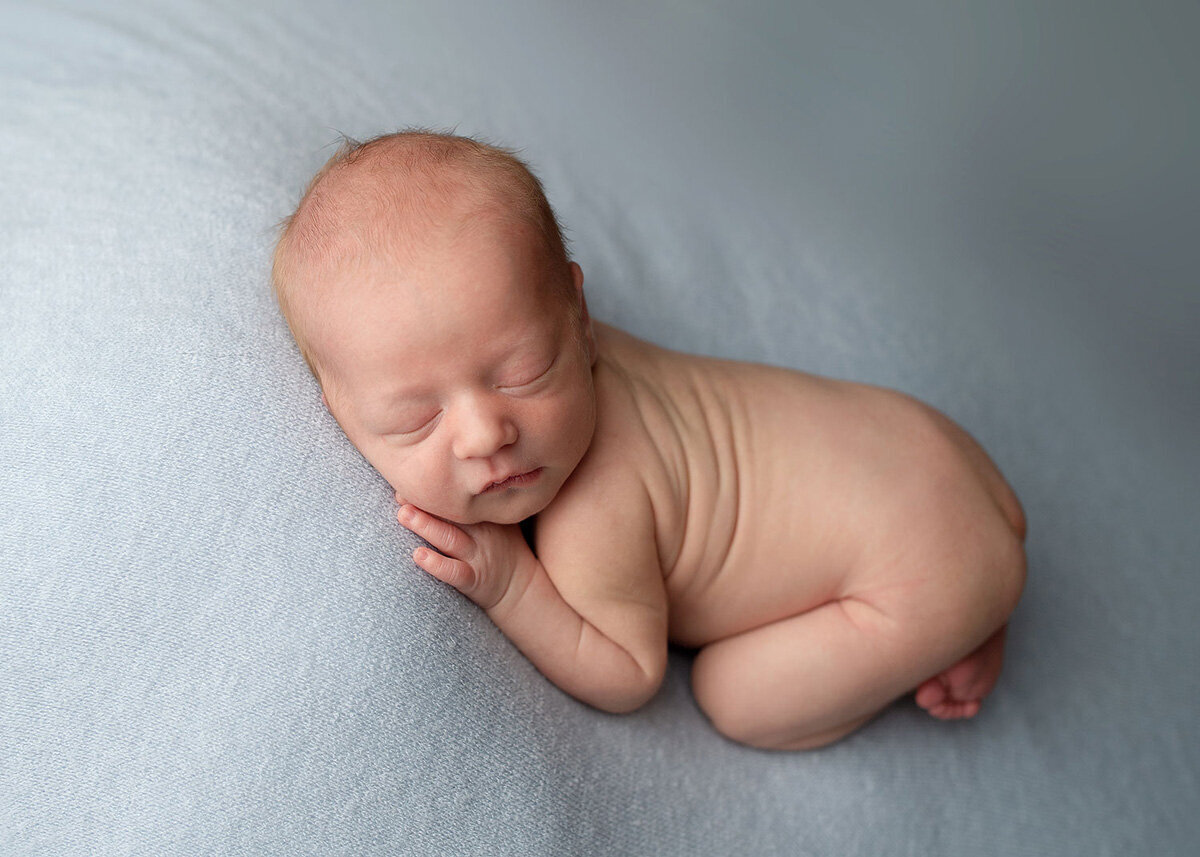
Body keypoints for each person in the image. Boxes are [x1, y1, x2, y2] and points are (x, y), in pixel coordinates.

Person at [270, 130, 1028, 750]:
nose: (485, 433)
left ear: (579, 316)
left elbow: (630, 672)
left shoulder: (594, 507)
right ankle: (975, 594)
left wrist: (511, 585)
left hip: (925, 564)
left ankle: (956, 615)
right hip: (932, 445)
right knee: (963, 552)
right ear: (335, 408)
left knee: (735, 699)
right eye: (416, 418)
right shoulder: (561, 338)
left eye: (521, 372)